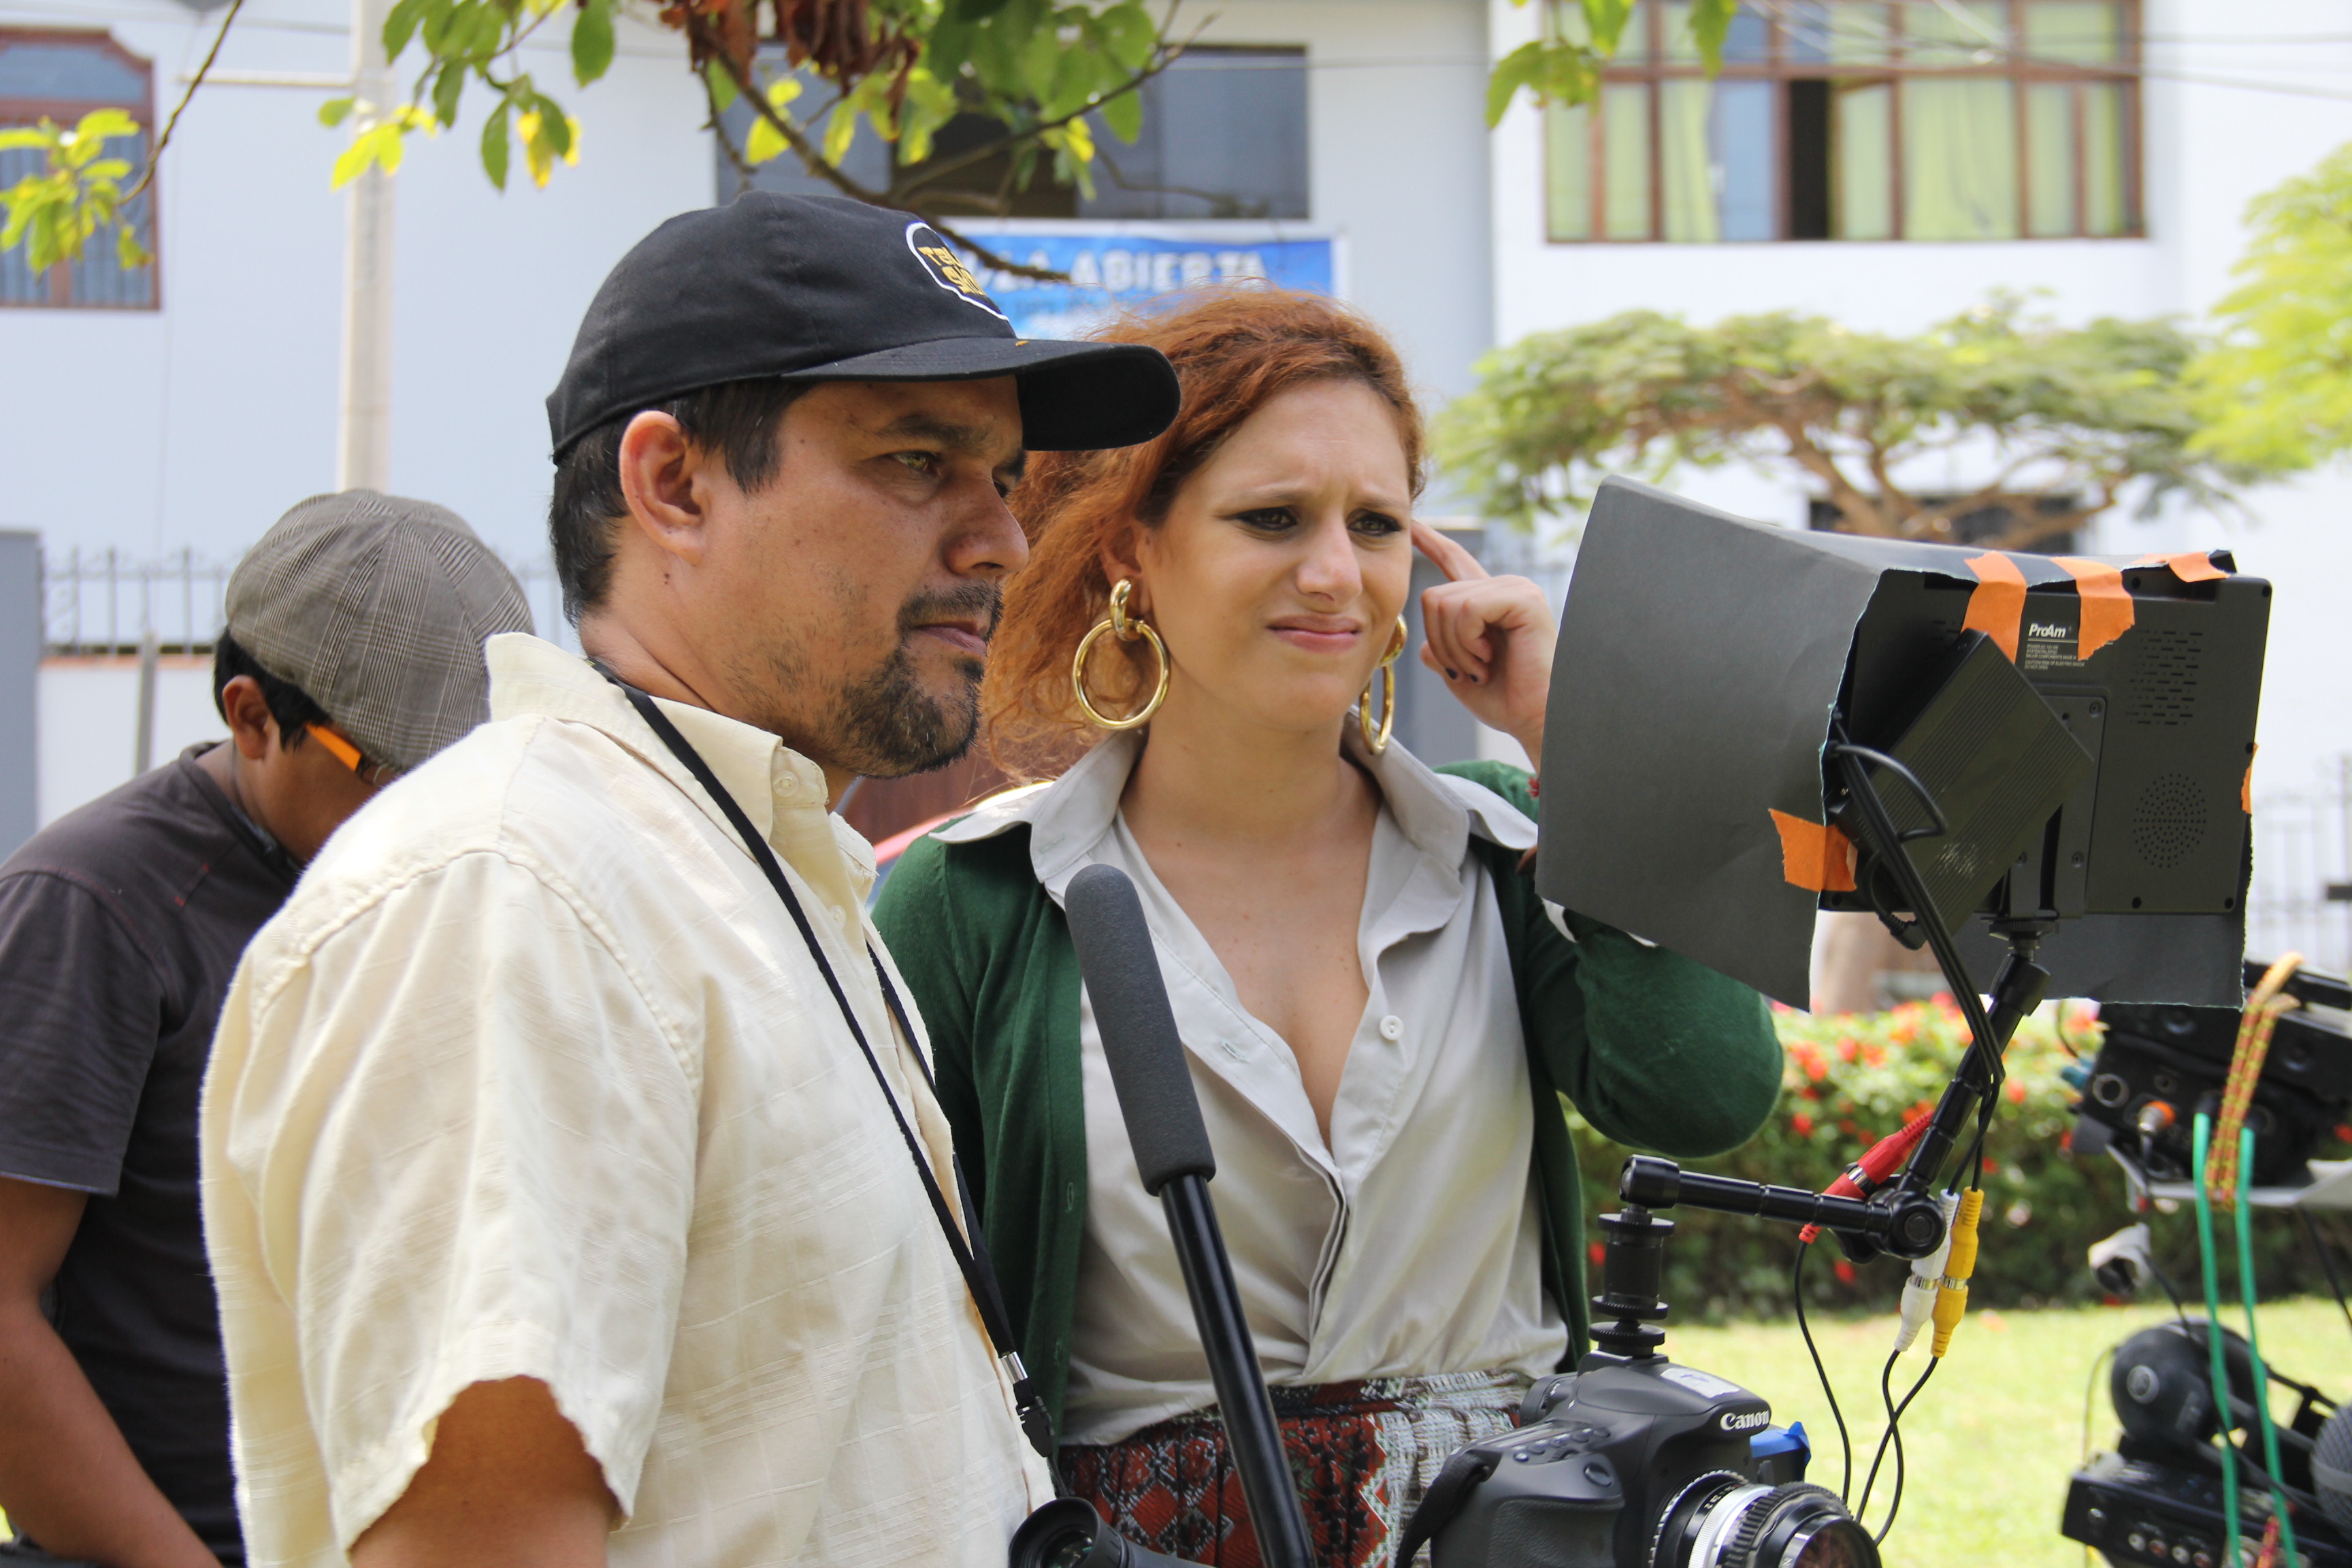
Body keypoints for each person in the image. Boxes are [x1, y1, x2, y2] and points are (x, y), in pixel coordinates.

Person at [198, 192, 1181, 1568]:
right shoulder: (517, 895)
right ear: (674, 486)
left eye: (1004, 477)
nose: (1002, 541)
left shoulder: (754, 873)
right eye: (916, 462)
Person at [872, 289, 1786, 1567]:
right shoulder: (976, 898)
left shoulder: (1510, 845)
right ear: (1132, 546)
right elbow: (904, 1321)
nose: (1334, 574)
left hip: (1515, 1537)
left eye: (1376, 523)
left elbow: (1706, 1093)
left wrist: (1575, 743)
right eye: (1271, 519)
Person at [0, 491, 532, 1568]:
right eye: (392, 774)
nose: (441, 819)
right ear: (252, 717)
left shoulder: (468, 877)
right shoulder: (94, 906)